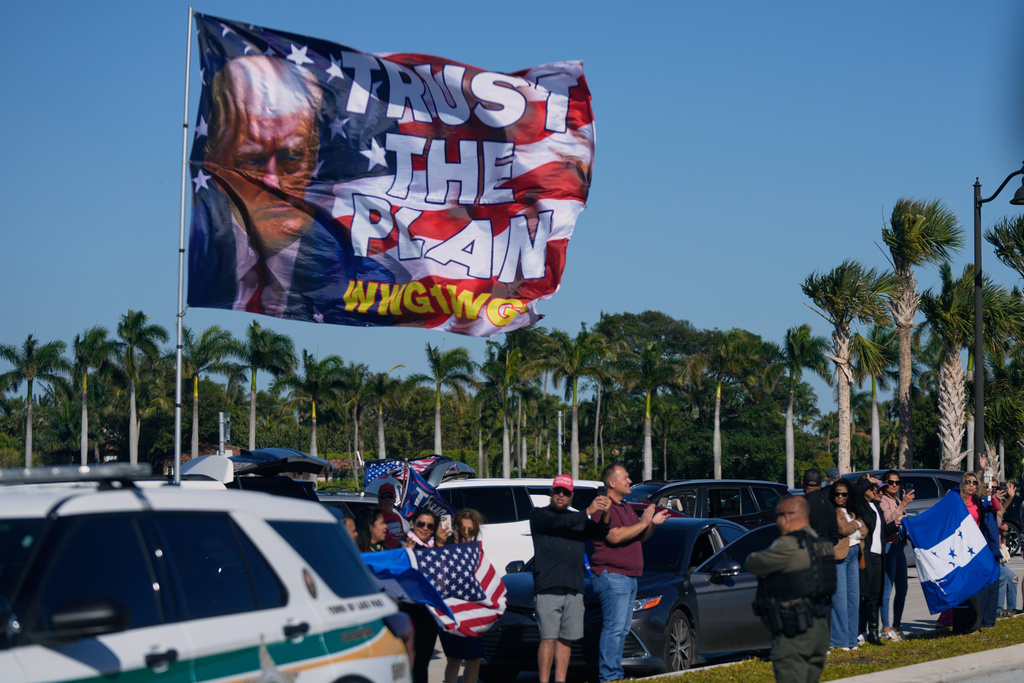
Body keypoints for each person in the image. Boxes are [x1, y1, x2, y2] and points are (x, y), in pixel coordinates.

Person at [189, 55, 392, 323]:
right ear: (214, 162)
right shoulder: (197, 255)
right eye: (252, 161)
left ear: (313, 156)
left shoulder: (366, 278)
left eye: (292, 157)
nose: (273, 182)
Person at [590, 464, 670, 683]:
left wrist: (650, 524)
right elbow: (614, 537)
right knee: (614, 628)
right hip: (613, 576)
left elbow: (639, 537)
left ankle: (614, 673)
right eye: (625, 478)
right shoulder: (603, 507)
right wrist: (644, 522)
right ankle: (609, 676)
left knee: (622, 629)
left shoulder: (625, 507)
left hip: (629, 577)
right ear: (612, 483)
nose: (629, 481)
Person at [529, 475, 611, 683]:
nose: (561, 495)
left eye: (565, 492)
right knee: (548, 639)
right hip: (547, 587)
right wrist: (588, 511)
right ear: (552, 492)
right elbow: (559, 523)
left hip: (574, 588)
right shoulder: (539, 515)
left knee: (566, 640)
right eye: (558, 491)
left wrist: (606, 511)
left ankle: (561, 680)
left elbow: (601, 531)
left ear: (571, 496)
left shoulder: (579, 519)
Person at [747, 496, 836, 683]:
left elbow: (754, 563)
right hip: (819, 628)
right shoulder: (821, 544)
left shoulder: (788, 544)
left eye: (777, 516)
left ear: (786, 517)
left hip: (794, 629)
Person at [439, 509, 486, 683]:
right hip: (452, 611)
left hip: (473, 612)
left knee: (474, 660)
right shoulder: (445, 549)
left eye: (471, 531)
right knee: (455, 659)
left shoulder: (477, 551)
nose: (466, 534)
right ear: (455, 529)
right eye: (462, 529)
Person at [401, 507, 445, 683]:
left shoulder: (437, 544)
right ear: (412, 523)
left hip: (430, 613)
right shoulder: (404, 544)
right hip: (411, 611)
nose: (425, 528)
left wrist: (441, 544)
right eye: (421, 524)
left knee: (424, 661)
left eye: (430, 526)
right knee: (413, 662)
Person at [854, 476, 893, 646]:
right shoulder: (860, 505)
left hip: (878, 555)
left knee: (875, 596)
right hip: (867, 555)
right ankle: (861, 630)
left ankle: (873, 632)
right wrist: (868, 481)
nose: (876, 491)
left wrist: (897, 522)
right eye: (873, 488)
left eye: (877, 489)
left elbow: (883, 530)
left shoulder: (875, 506)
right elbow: (855, 492)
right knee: (865, 594)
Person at [878, 470, 914, 641]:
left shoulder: (896, 499)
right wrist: (903, 505)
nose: (894, 485)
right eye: (890, 482)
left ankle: (896, 626)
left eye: (897, 482)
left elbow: (902, 522)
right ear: (884, 483)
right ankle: (886, 628)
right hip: (888, 547)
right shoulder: (882, 500)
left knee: (903, 588)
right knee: (887, 588)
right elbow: (888, 521)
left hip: (899, 547)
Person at [829, 479, 863, 651]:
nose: (840, 497)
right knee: (840, 597)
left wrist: (855, 525)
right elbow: (842, 529)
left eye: (844, 494)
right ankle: (839, 641)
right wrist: (856, 525)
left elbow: (864, 529)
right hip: (840, 555)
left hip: (855, 552)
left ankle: (851, 640)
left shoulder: (851, 510)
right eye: (837, 493)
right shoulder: (832, 510)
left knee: (853, 597)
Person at [803, 468, 838, 549]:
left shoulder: (800, 506)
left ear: (802, 483)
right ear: (821, 484)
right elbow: (835, 537)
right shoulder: (829, 504)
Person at [377, 483, 408, 549]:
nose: (387, 500)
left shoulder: (397, 516)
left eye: (391, 497)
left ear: (395, 498)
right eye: (384, 496)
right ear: (379, 498)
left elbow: (401, 536)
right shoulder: (376, 517)